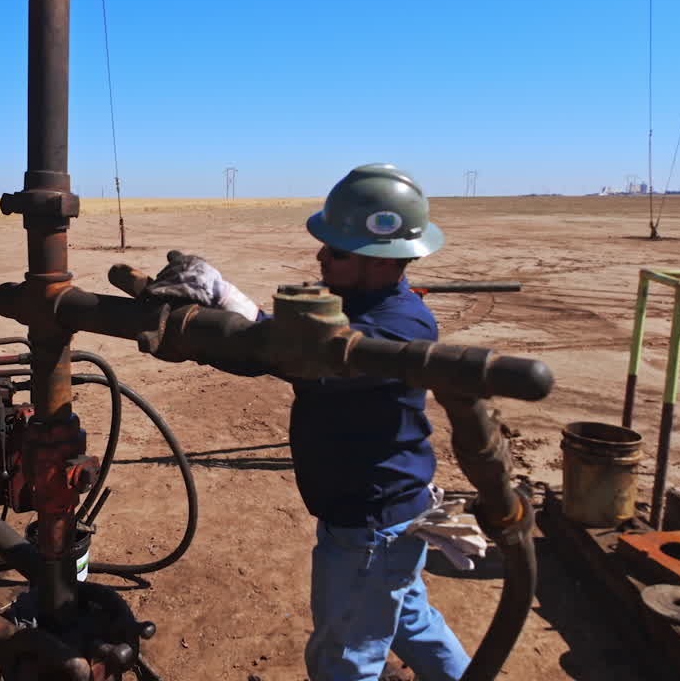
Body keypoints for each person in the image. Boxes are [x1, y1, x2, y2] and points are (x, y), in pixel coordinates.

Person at [144, 164, 478, 681]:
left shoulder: (394, 327)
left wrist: (221, 295)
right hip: (386, 515)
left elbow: (283, 354)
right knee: (410, 621)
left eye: (337, 251)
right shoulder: (357, 305)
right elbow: (280, 337)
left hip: (370, 525)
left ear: (382, 261)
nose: (320, 255)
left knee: (344, 658)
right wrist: (215, 308)